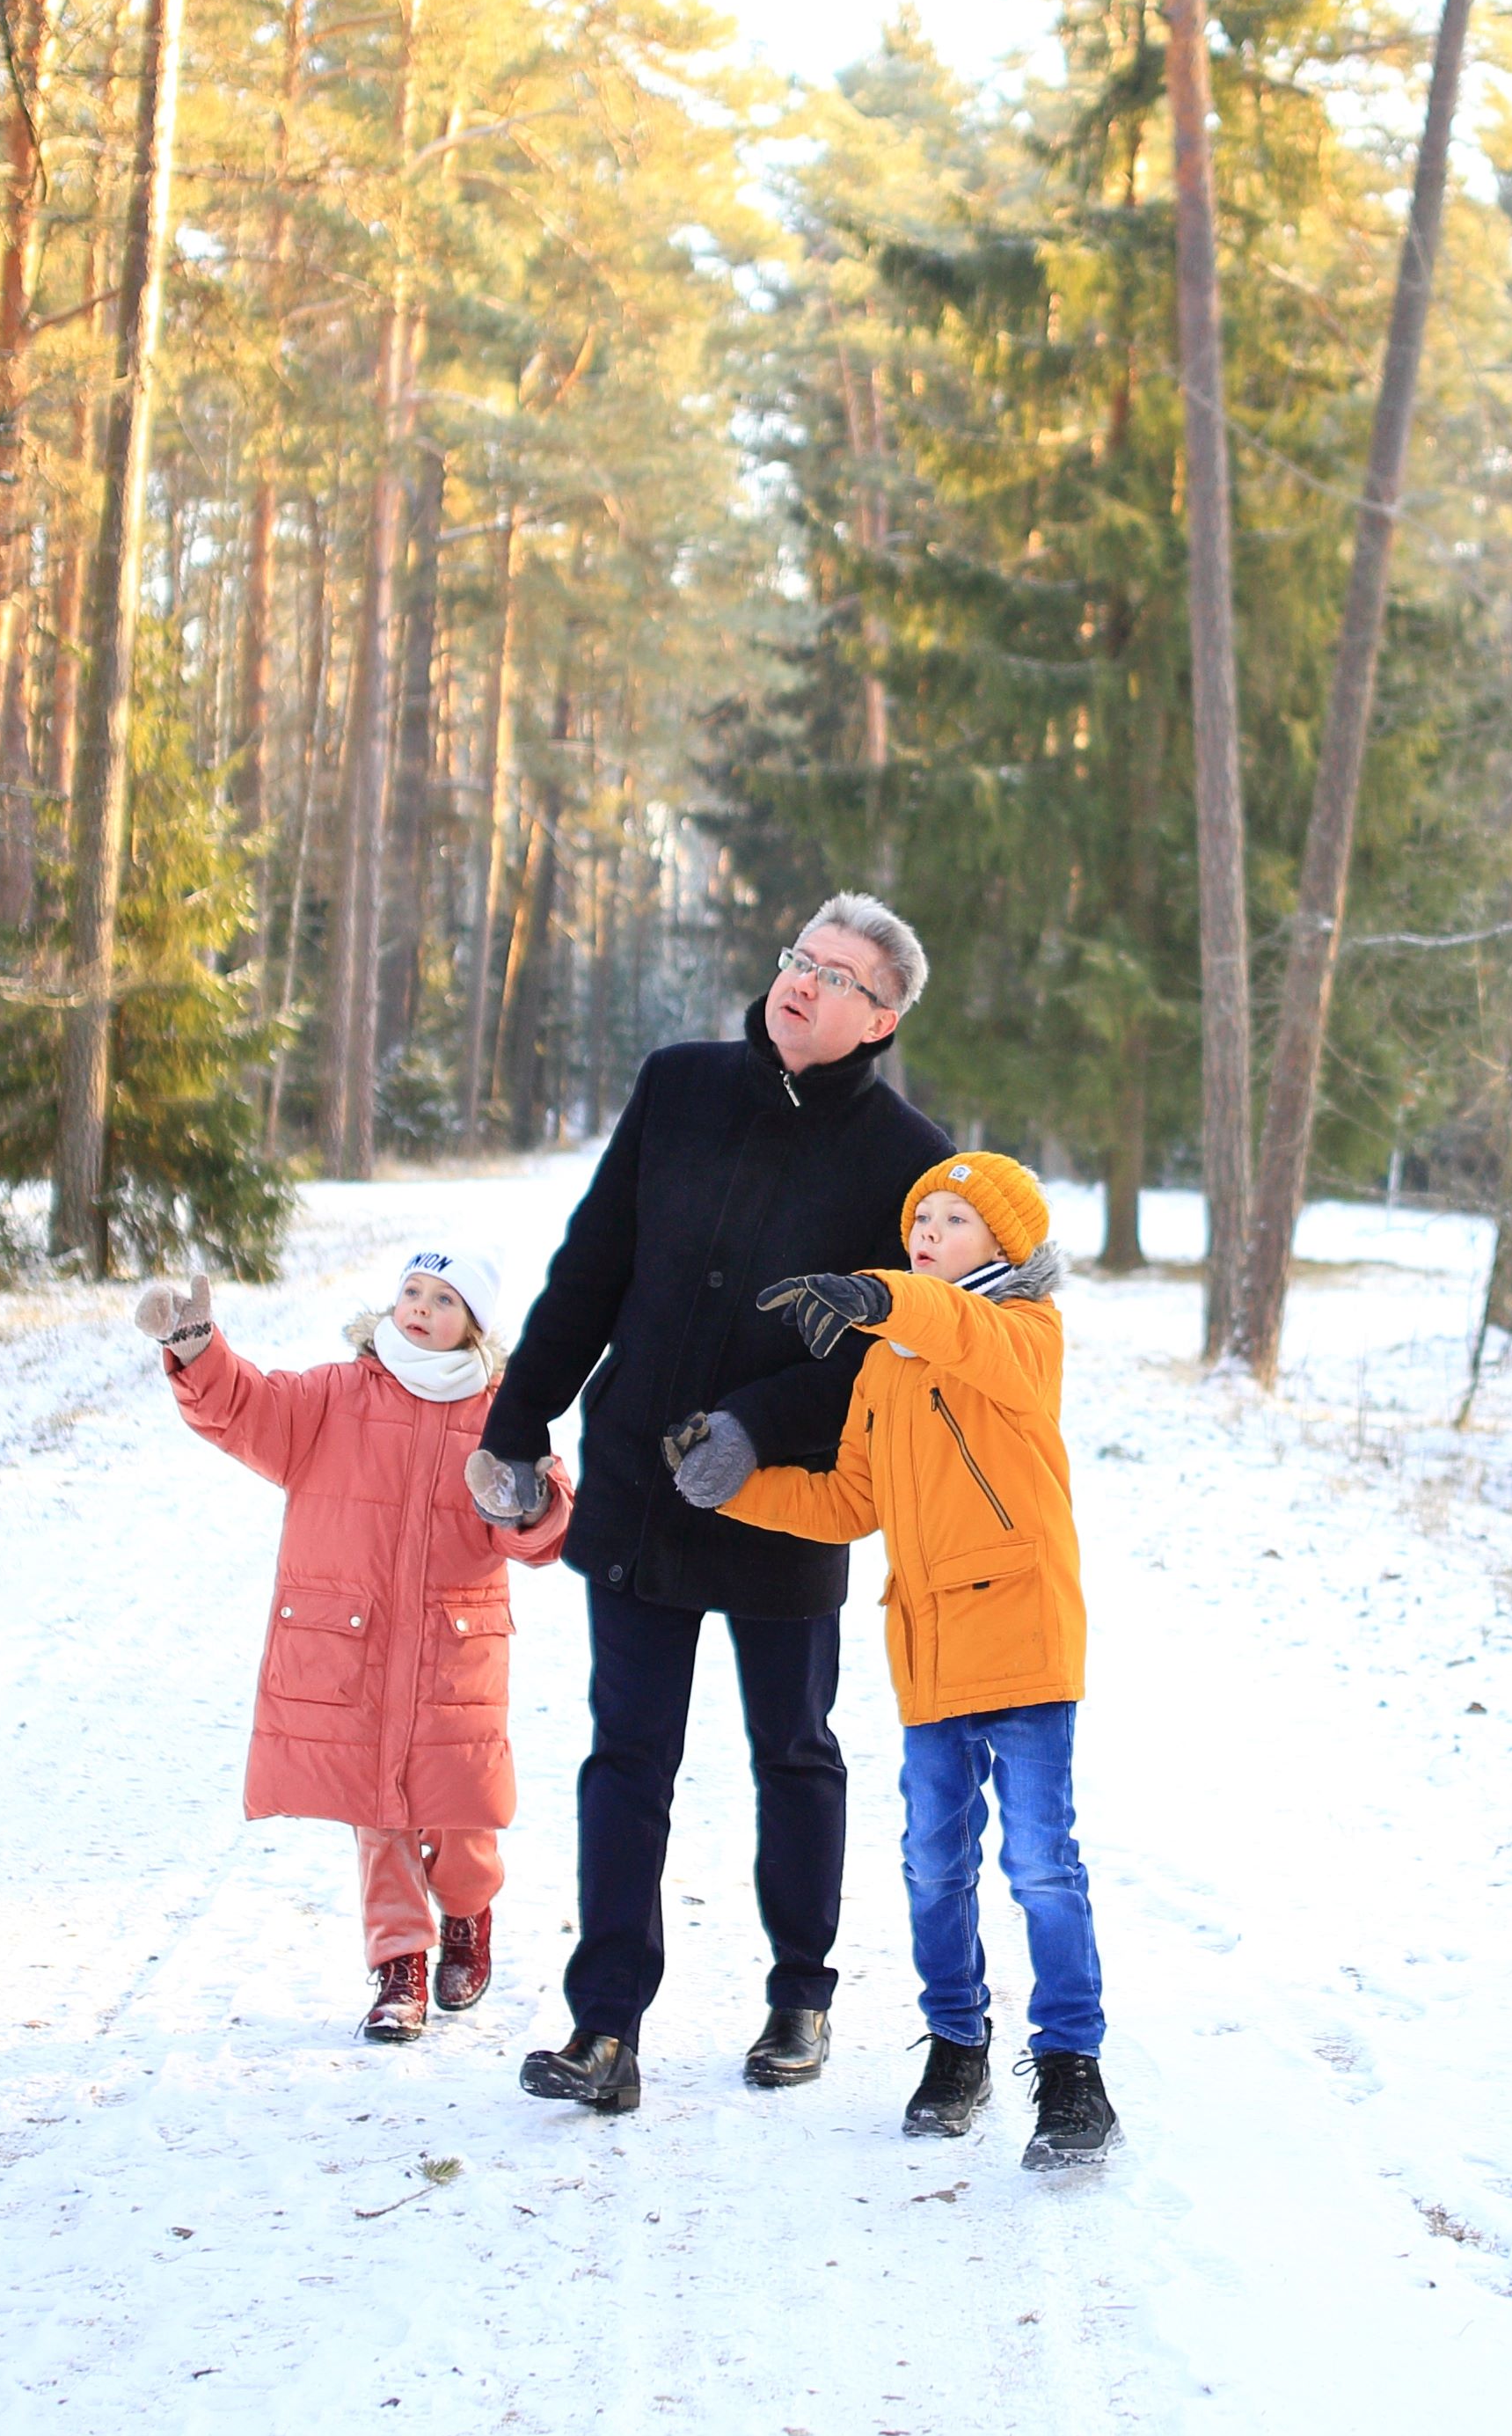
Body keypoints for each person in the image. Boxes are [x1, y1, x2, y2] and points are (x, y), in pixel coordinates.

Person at [473, 895, 951, 2117]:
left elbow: (879, 1351)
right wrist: (517, 1422)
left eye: (836, 975)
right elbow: (595, 1265)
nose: (801, 981)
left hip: (783, 1500)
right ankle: (605, 2028)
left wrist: (761, 1428)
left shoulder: (910, 1160)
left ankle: (802, 1993)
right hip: (639, 1483)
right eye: (798, 958)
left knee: (792, 1749)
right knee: (629, 1755)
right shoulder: (677, 1086)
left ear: (881, 1017)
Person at [676, 1152, 1114, 2171]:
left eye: (955, 1220)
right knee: (932, 1865)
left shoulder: (1025, 1335)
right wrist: (733, 1484)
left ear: (1003, 1245)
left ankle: (1072, 2073)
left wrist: (881, 1294)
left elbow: (954, 1326)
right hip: (928, 1649)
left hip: (1024, 1637)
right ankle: (957, 2046)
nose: (929, 1232)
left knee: (1043, 1865)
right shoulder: (887, 1359)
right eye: (923, 1218)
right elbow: (849, 1503)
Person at [142, 1236, 573, 2042]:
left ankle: (469, 1916)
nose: (421, 1309)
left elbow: (545, 1530)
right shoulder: (334, 1396)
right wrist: (198, 1349)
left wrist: (525, 1503)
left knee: (461, 1811)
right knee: (378, 1814)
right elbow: (249, 1408)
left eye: (444, 1302)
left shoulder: (501, 1413)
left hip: (455, 1652)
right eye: (413, 1293)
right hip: (357, 1649)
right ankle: (399, 1965)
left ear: (474, 1327)